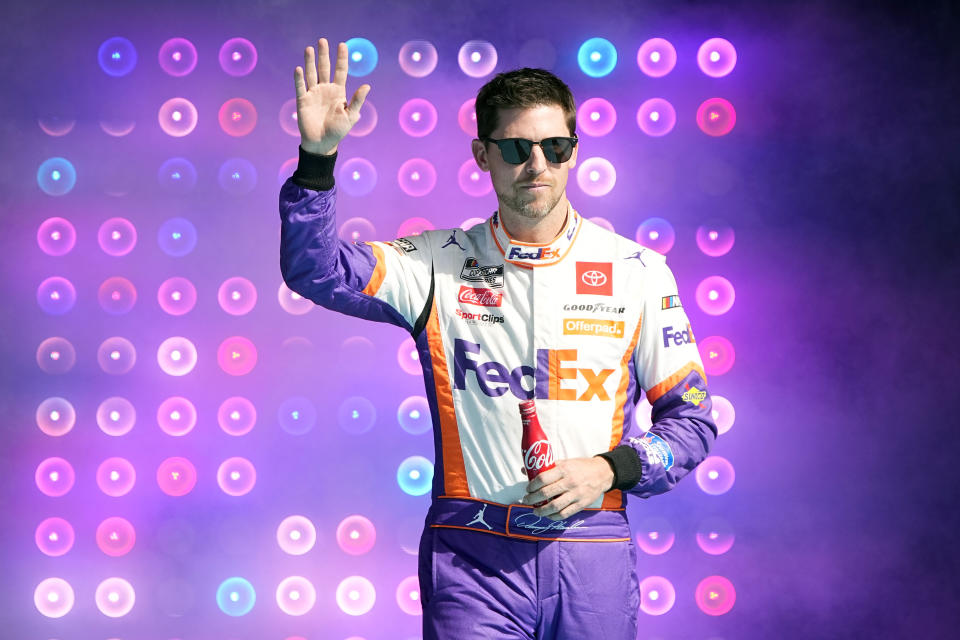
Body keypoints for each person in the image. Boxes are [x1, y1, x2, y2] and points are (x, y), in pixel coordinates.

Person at [279, 38, 717, 640]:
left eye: (555, 147)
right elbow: (316, 270)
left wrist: (609, 469)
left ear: (573, 153)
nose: (537, 164)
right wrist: (317, 158)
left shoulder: (639, 272)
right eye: (516, 148)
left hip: (592, 548)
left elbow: (692, 422)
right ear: (483, 155)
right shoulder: (435, 264)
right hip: (472, 553)